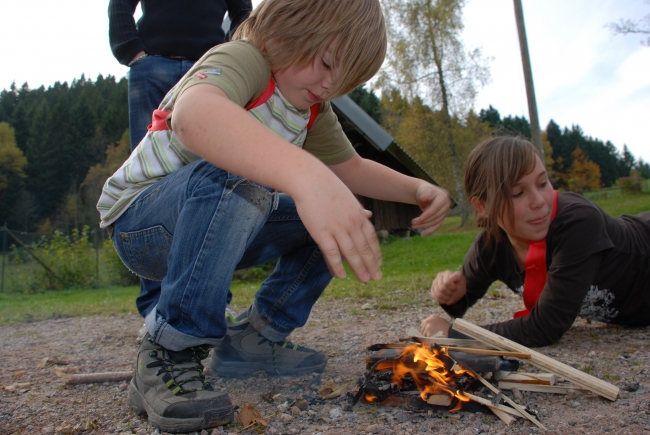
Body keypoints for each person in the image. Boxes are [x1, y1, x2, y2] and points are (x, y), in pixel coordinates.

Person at [97, 0, 451, 431]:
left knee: (342, 213)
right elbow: (194, 116)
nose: (329, 84)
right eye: (325, 63)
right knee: (238, 176)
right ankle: (167, 351)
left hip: (224, 221)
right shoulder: (246, 58)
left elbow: (352, 169)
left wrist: (414, 189)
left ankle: (256, 337)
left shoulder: (310, 106)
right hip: (144, 225)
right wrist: (306, 177)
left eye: (345, 79)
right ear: (289, 27)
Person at [420, 136, 650, 348]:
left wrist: (457, 335)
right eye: (517, 193)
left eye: (542, 183)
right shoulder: (490, 246)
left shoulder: (579, 223)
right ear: (482, 206)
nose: (539, 201)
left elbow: (546, 327)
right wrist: (452, 295)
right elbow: (461, 303)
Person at [108, 0, 253, 318]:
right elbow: (120, 4)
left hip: (211, 71)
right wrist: (132, 52)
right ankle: (155, 308)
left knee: (216, 176)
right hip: (152, 66)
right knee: (151, 177)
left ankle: (212, 301)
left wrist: (233, 53)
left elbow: (243, 9)